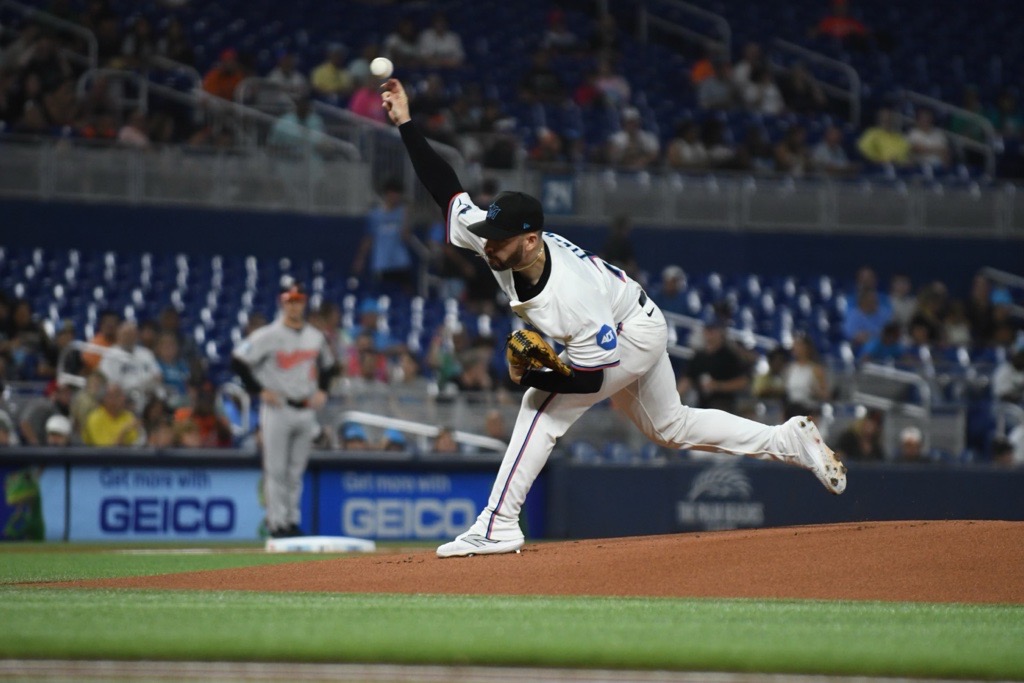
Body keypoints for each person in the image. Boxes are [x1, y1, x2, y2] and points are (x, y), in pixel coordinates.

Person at [381, 76, 847, 557]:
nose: (489, 244)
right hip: (627, 311)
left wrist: (536, 375)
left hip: (630, 330)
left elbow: (590, 379)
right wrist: (407, 123)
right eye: (489, 234)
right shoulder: (493, 240)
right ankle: (787, 439)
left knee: (540, 405)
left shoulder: (571, 297)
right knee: (672, 427)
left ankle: (498, 523)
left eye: (500, 237)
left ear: (532, 240)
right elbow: (446, 190)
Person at [231, 278, 337, 539]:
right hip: (278, 408)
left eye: (298, 300)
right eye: (290, 301)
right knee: (276, 470)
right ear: (282, 303)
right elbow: (239, 361)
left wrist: (323, 390)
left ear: (304, 303)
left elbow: (329, 366)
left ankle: (291, 521)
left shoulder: (314, 336)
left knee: (295, 472)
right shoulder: (268, 334)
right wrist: (259, 390)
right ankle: (276, 524)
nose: (294, 306)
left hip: (305, 409)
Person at [351, 178, 414, 293]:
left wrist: (406, 217)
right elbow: (368, 238)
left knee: (406, 292)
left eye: (398, 193)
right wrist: (360, 259)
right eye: (393, 193)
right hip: (382, 263)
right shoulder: (375, 214)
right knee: (381, 295)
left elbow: (406, 236)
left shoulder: (402, 212)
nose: (395, 197)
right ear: (387, 194)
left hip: (400, 261)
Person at [678, 322, 751, 414]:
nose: (710, 334)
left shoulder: (730, 356)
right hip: (700, 404)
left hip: (724, 405)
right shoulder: (699, 356)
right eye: (708, 330)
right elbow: (687, 379)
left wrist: (717, 386)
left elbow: (743, 382)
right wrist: (676, 398)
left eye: (713, 331)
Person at [606, 107, 660, 171]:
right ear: (624, 123)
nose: (631, 125)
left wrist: (641, 161)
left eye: (633, 122)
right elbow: (612, 154)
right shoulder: (616, 138)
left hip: (643, 172)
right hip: (620, 171)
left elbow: (654, 154)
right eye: (629, 122)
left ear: (639, 122)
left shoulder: (649, 137)